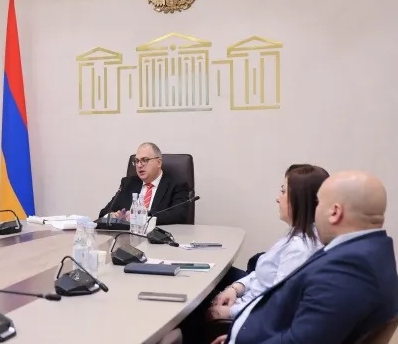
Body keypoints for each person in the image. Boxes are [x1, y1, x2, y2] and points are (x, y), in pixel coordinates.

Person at [210, 170, 398, 344]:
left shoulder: (347, 270)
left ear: (334, 212)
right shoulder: (372, 251)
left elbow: (301, 341)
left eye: (319, 203)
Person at [181, 164, 328, 344]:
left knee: (189, 308)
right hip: (247, 299)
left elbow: (276, 305)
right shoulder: (296, 232)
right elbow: (263, 273)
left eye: (283, 192)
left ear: (299, 199)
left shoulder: (301, 248)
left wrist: (231, 311)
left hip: (249, 318)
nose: (277, 198)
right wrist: (236, 288)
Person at [98, 142, 190, 225]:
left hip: (158, 236)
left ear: (158, 162)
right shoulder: (128, 184)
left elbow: (179, 215)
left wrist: (142, 216)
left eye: (145, 160)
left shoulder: (177, 184)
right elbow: (104, 213)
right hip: (127, 235)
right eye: (137, 161)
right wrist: (114, 216)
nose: (139, 165)